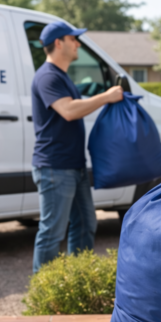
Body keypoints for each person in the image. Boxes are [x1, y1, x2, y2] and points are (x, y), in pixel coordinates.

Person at [31, 21, 123, 272]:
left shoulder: (61, 76)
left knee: (85, 224)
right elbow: (69, 111)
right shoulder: (48, 76)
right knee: (52, 232)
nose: (78, 43)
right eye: (73, 39)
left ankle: (78, 281)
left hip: (73, 165)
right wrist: (106, 97)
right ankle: (43, 296)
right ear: (58, 43)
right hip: (55, 168)